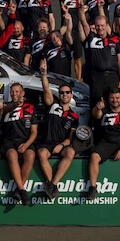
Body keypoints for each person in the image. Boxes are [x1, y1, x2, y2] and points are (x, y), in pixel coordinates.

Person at [35, 60, 78, 200]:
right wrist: (43, 73)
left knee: (71, 152)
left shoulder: (74, 116)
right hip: (46, 143)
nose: (64, 94)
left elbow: (70, 139)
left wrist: (61, 145)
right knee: (41, 153)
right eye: (62, 93)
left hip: (61, 144)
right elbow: (46, 89)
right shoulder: (52, 105)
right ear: (59, 94)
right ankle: (51, 185)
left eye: (67, 92)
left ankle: (53, 184)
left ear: (71, 95)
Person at [78, 5, 120, 109]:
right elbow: (84, 23)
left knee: (114, 104)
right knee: (97, 105)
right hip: (96, 78)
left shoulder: (116, 40)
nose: (100, 28)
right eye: (97, 25)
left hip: (112, 77)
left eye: (102, 25)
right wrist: (81, 11)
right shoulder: (91, 38)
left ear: (107, 25)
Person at [0, 83, 38, 205]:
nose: (14, 93)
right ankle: (22, 190)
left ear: (23, 93)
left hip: (25, 141)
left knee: (30, 155)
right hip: (9, 142)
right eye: (12, 91)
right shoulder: (6, 106)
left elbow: (34, 132)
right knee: (12, 155)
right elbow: (3, 111)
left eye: (17, 91)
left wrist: (26, 145)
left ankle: (18, 189)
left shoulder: (30, 108)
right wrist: (15, 105)